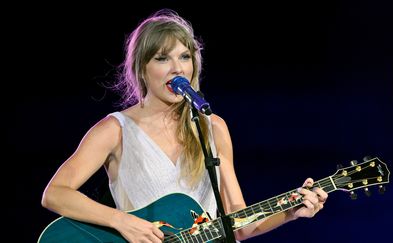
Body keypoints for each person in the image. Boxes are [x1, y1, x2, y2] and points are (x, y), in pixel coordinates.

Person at [41, 9, 327, 242]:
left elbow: (238, 223)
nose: (177, 68)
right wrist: (122, 222)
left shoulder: (212, 128)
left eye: (184, 57)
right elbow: (55, 193)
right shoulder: (115, 130)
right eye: (162, 58)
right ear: (142, 68)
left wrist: (291, 210)